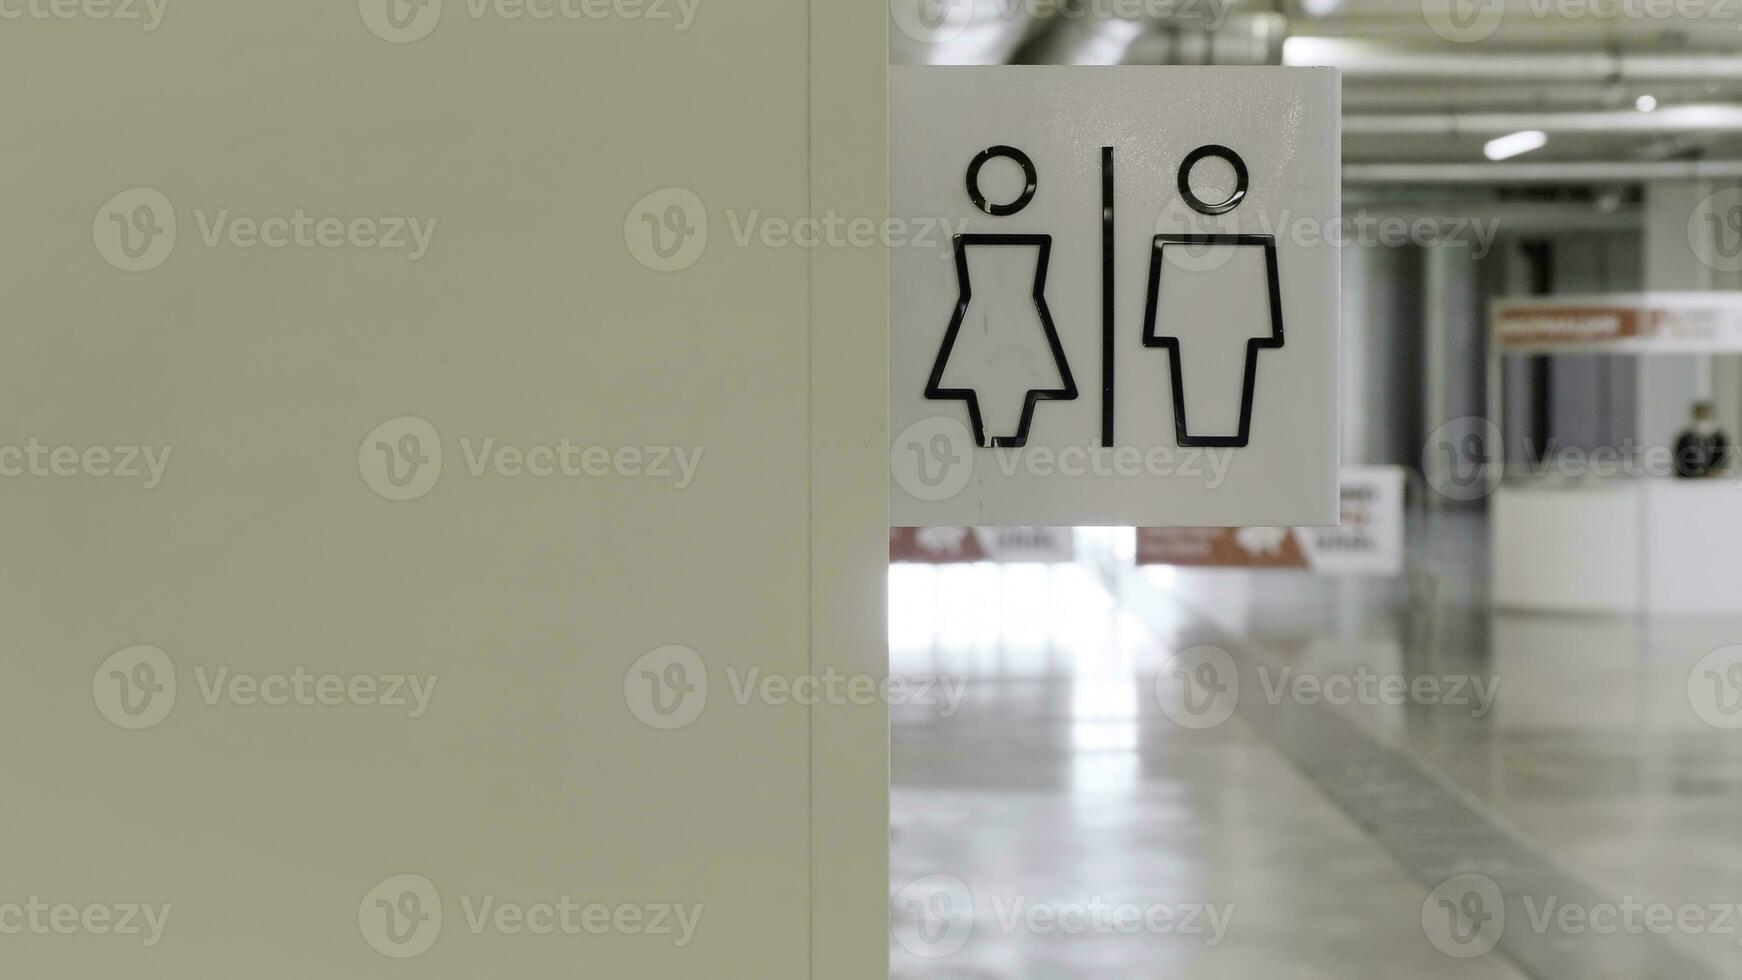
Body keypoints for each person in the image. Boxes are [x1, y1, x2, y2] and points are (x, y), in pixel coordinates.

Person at [1674, 402, 1731, 479]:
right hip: (1689, 481)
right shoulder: (1685, 438)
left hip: (1713, 482)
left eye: (1706, 415)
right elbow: (1680, 461)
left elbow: (1722, 460)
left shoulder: (1719, 438)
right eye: (1701, 415)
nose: (1704, 419)